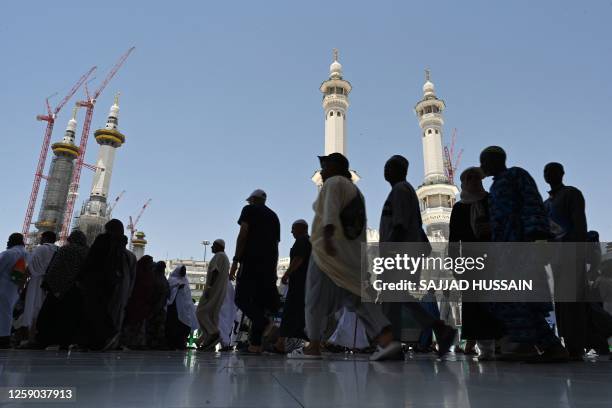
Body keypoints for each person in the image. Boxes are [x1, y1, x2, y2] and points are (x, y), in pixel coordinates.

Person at [289, 153, 401, 361]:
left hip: (327, 254)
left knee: (314, 299)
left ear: (336, 167)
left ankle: (313, 346)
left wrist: (329, 237)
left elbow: (330, 211)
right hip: (351, 257)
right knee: (358, 300)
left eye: (325, 166)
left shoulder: (334, 182)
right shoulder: (357, 192)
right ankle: (387, 340)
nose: (322, 171)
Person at [480, 146, 568, 362]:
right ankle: (529, 344)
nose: (482, 166)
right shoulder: (496, 186)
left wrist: (537, 237)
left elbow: (532, 205)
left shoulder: (516, 175)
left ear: (495, 160)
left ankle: (547, 345)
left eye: (485, 161)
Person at [378, 155, 457, 356]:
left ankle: (392, 345)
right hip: (406, 252)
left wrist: (389, 252)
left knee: (392, 297)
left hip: (399, 253)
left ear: (398, 170)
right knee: (397, 297)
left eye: (389, 167)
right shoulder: (405, 191)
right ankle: (439, 329)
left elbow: (400, 224)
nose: (386, 171)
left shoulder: (400, 190)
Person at [448, 166, 502, 360]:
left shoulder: (491, 202)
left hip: (492, 257)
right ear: (463, 183)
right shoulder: (460, 208)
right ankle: (483, 346)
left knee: (493, 300)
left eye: (476, 178)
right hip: (471, 261)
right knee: (473, 303)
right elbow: (454, 240)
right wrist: (455, 263)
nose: (473, 181)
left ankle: (499, 343)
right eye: (469, 178)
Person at [543, 162, 588, 360]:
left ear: (561, 173)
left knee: (575, 301)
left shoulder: (571, 194)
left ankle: (578, 343)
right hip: (556, 257)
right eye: (547, 172)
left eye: (553, 171)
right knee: (562, 302)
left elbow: (579, 223)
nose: (550, 175)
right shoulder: (547, 204)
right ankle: (571, 343)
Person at [230, 189, 281, 354]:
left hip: (251, 261)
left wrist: (236, 261)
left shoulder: (249, 210)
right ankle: (255, 345)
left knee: (241, 298)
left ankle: (265, 324)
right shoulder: (274, 217)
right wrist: (273, 270)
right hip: (268, 266)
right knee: (258, 303)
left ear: (253, 199)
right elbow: (276, 246)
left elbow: (243, 234)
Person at [78, 219, 137, 351]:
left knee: (93, 311)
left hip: (96, 282)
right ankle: (105, 338)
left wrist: (81, 278)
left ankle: (100, 337)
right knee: (106, 310)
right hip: (114, 285)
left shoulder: (103, 240)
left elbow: (92, 260)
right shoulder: (126, 252)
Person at [36, 230, 89, 349]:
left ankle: (44, 340)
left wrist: (51, 285)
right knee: (70, 318)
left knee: (49, 315)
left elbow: (55, 268)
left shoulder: (66, 250)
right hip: (77, 291)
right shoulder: (88, 252)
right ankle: (65, 342)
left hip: (60, 289)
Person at [270, 220, 312, 353]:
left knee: (290, 312)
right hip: (305, 284)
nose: (291, 232)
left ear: (300, 228)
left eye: (293, 228)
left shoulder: (302, 241)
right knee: (299, 315)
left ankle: (281, 344)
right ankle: (316, 343)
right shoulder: (309, 241)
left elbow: (298, 259)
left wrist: (287, 274)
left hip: (299, 284)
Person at [15, 231, 58, 346]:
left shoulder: (40, 249)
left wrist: (20, 284)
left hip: (36, 281)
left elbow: (28, 267)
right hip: (50, 283)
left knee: (32, 308)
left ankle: (31, 338)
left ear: (44, 238)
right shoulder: (58, 250)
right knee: (44, 309)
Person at [196, 239, 230, 351]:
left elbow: (215, 271)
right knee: (212, 316)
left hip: (213, 290)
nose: (211, 247)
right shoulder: (225, 258)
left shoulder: (219, 256)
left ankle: (213, 333)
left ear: (219, 246)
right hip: (220, 292)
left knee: (200, 312)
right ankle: (209, 342)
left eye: (213, 245)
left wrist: (209, 288)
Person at [0, 233, 28, 349]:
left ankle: (3, 338)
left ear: (12, 241)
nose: (7, 243)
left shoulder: (9, 253)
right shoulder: (27, 254)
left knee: (2, 313)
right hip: (15, 288)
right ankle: (5, 337)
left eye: (9, 240)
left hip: (3, 286)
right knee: (7, 313)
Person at [121, 255, 155, 349]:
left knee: (140, 324)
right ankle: (128, 342)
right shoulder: (138, 273)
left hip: (143, 304)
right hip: (135, 302)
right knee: (132, 322)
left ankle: (138, 343)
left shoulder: (149, 274)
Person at [166, 265, 198, 349]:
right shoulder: (171, 280)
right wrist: (177, 287)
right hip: (173, 308)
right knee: (173, 326)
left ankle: (181, 343)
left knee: (184, 327)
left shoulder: (185, 281)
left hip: (184, 309)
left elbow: (187, 295)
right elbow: (170, 292)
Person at [146, 261, 169, 349]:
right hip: (159, 307)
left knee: (153, 326)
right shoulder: (163, 279)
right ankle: (156, 343)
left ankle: (152, 343)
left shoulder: (153, 278)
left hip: (154, 306)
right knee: (157, 326)